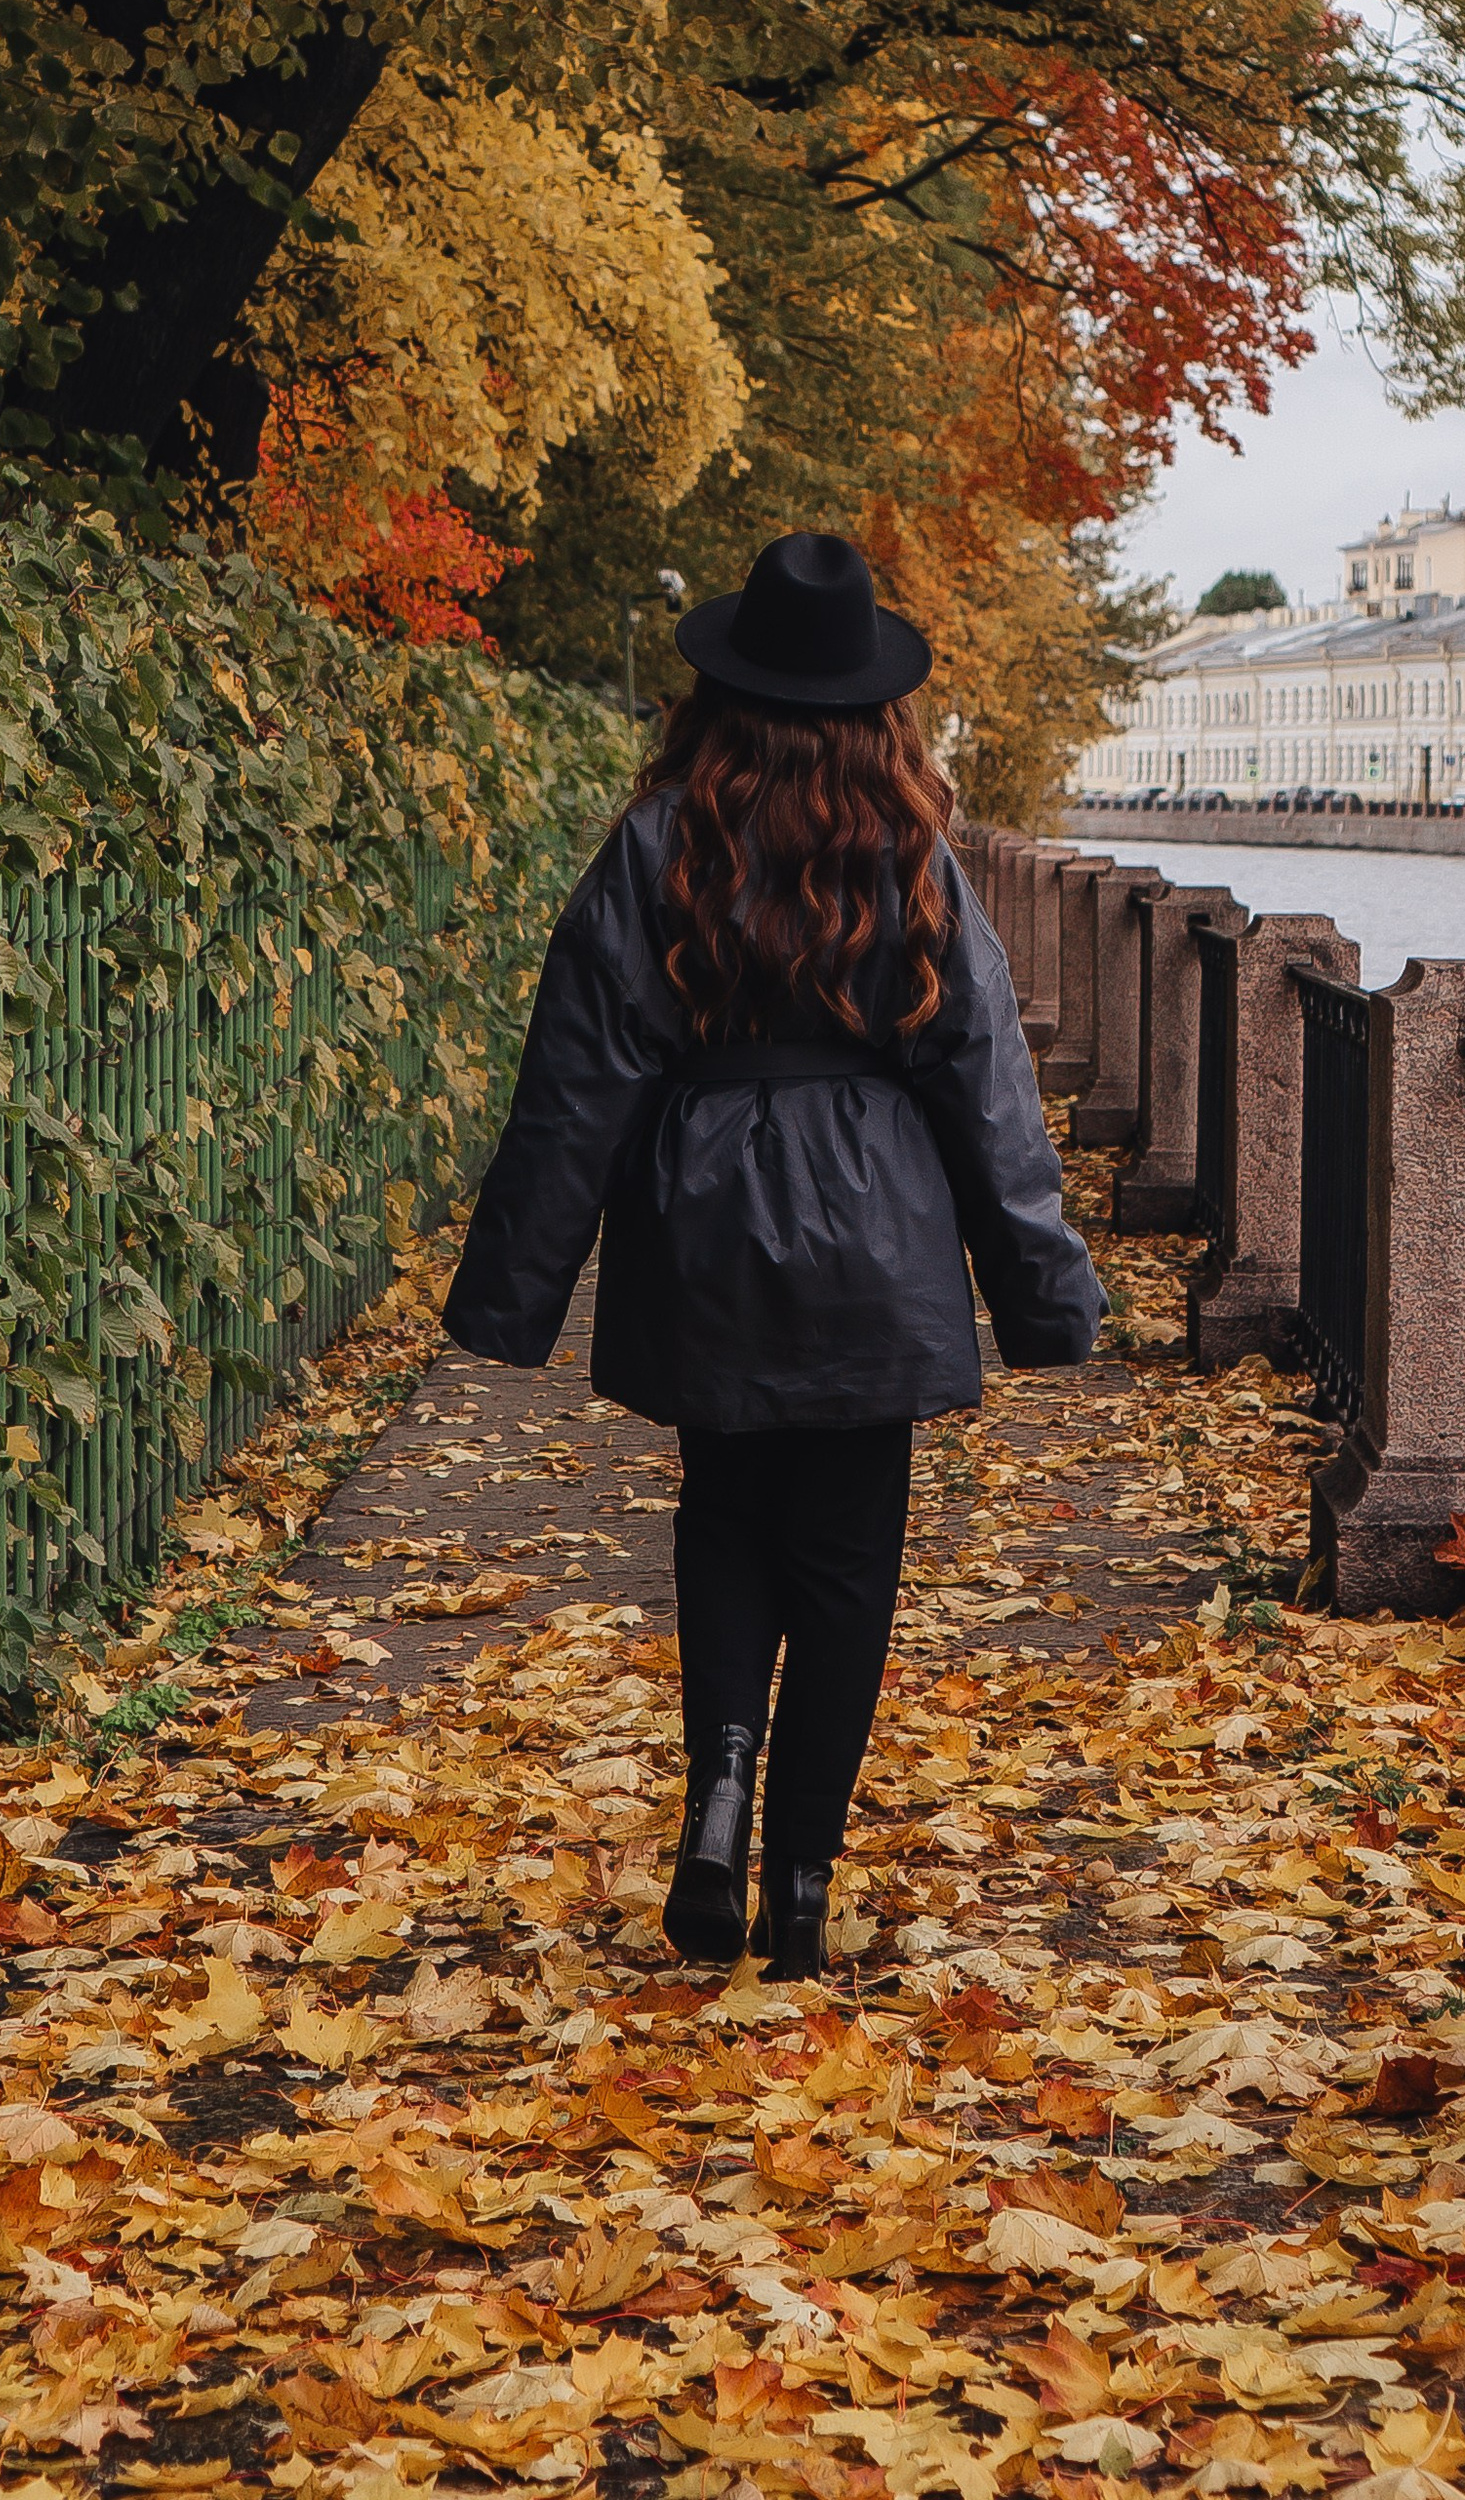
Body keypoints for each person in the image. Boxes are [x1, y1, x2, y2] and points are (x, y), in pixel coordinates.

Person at [443, 530, 1104, 1981]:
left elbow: (579, 1078)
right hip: (878, 1238)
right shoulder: (916, 852)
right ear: (881, 708)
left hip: (705, 1228)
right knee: (851, 1558)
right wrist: (1045, 1290)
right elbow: (983, 1084)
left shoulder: (661, 841)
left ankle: (718, 1809)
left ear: (722, 694)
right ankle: (803, 1879)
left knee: (725, 1519)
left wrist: (513, 1296)